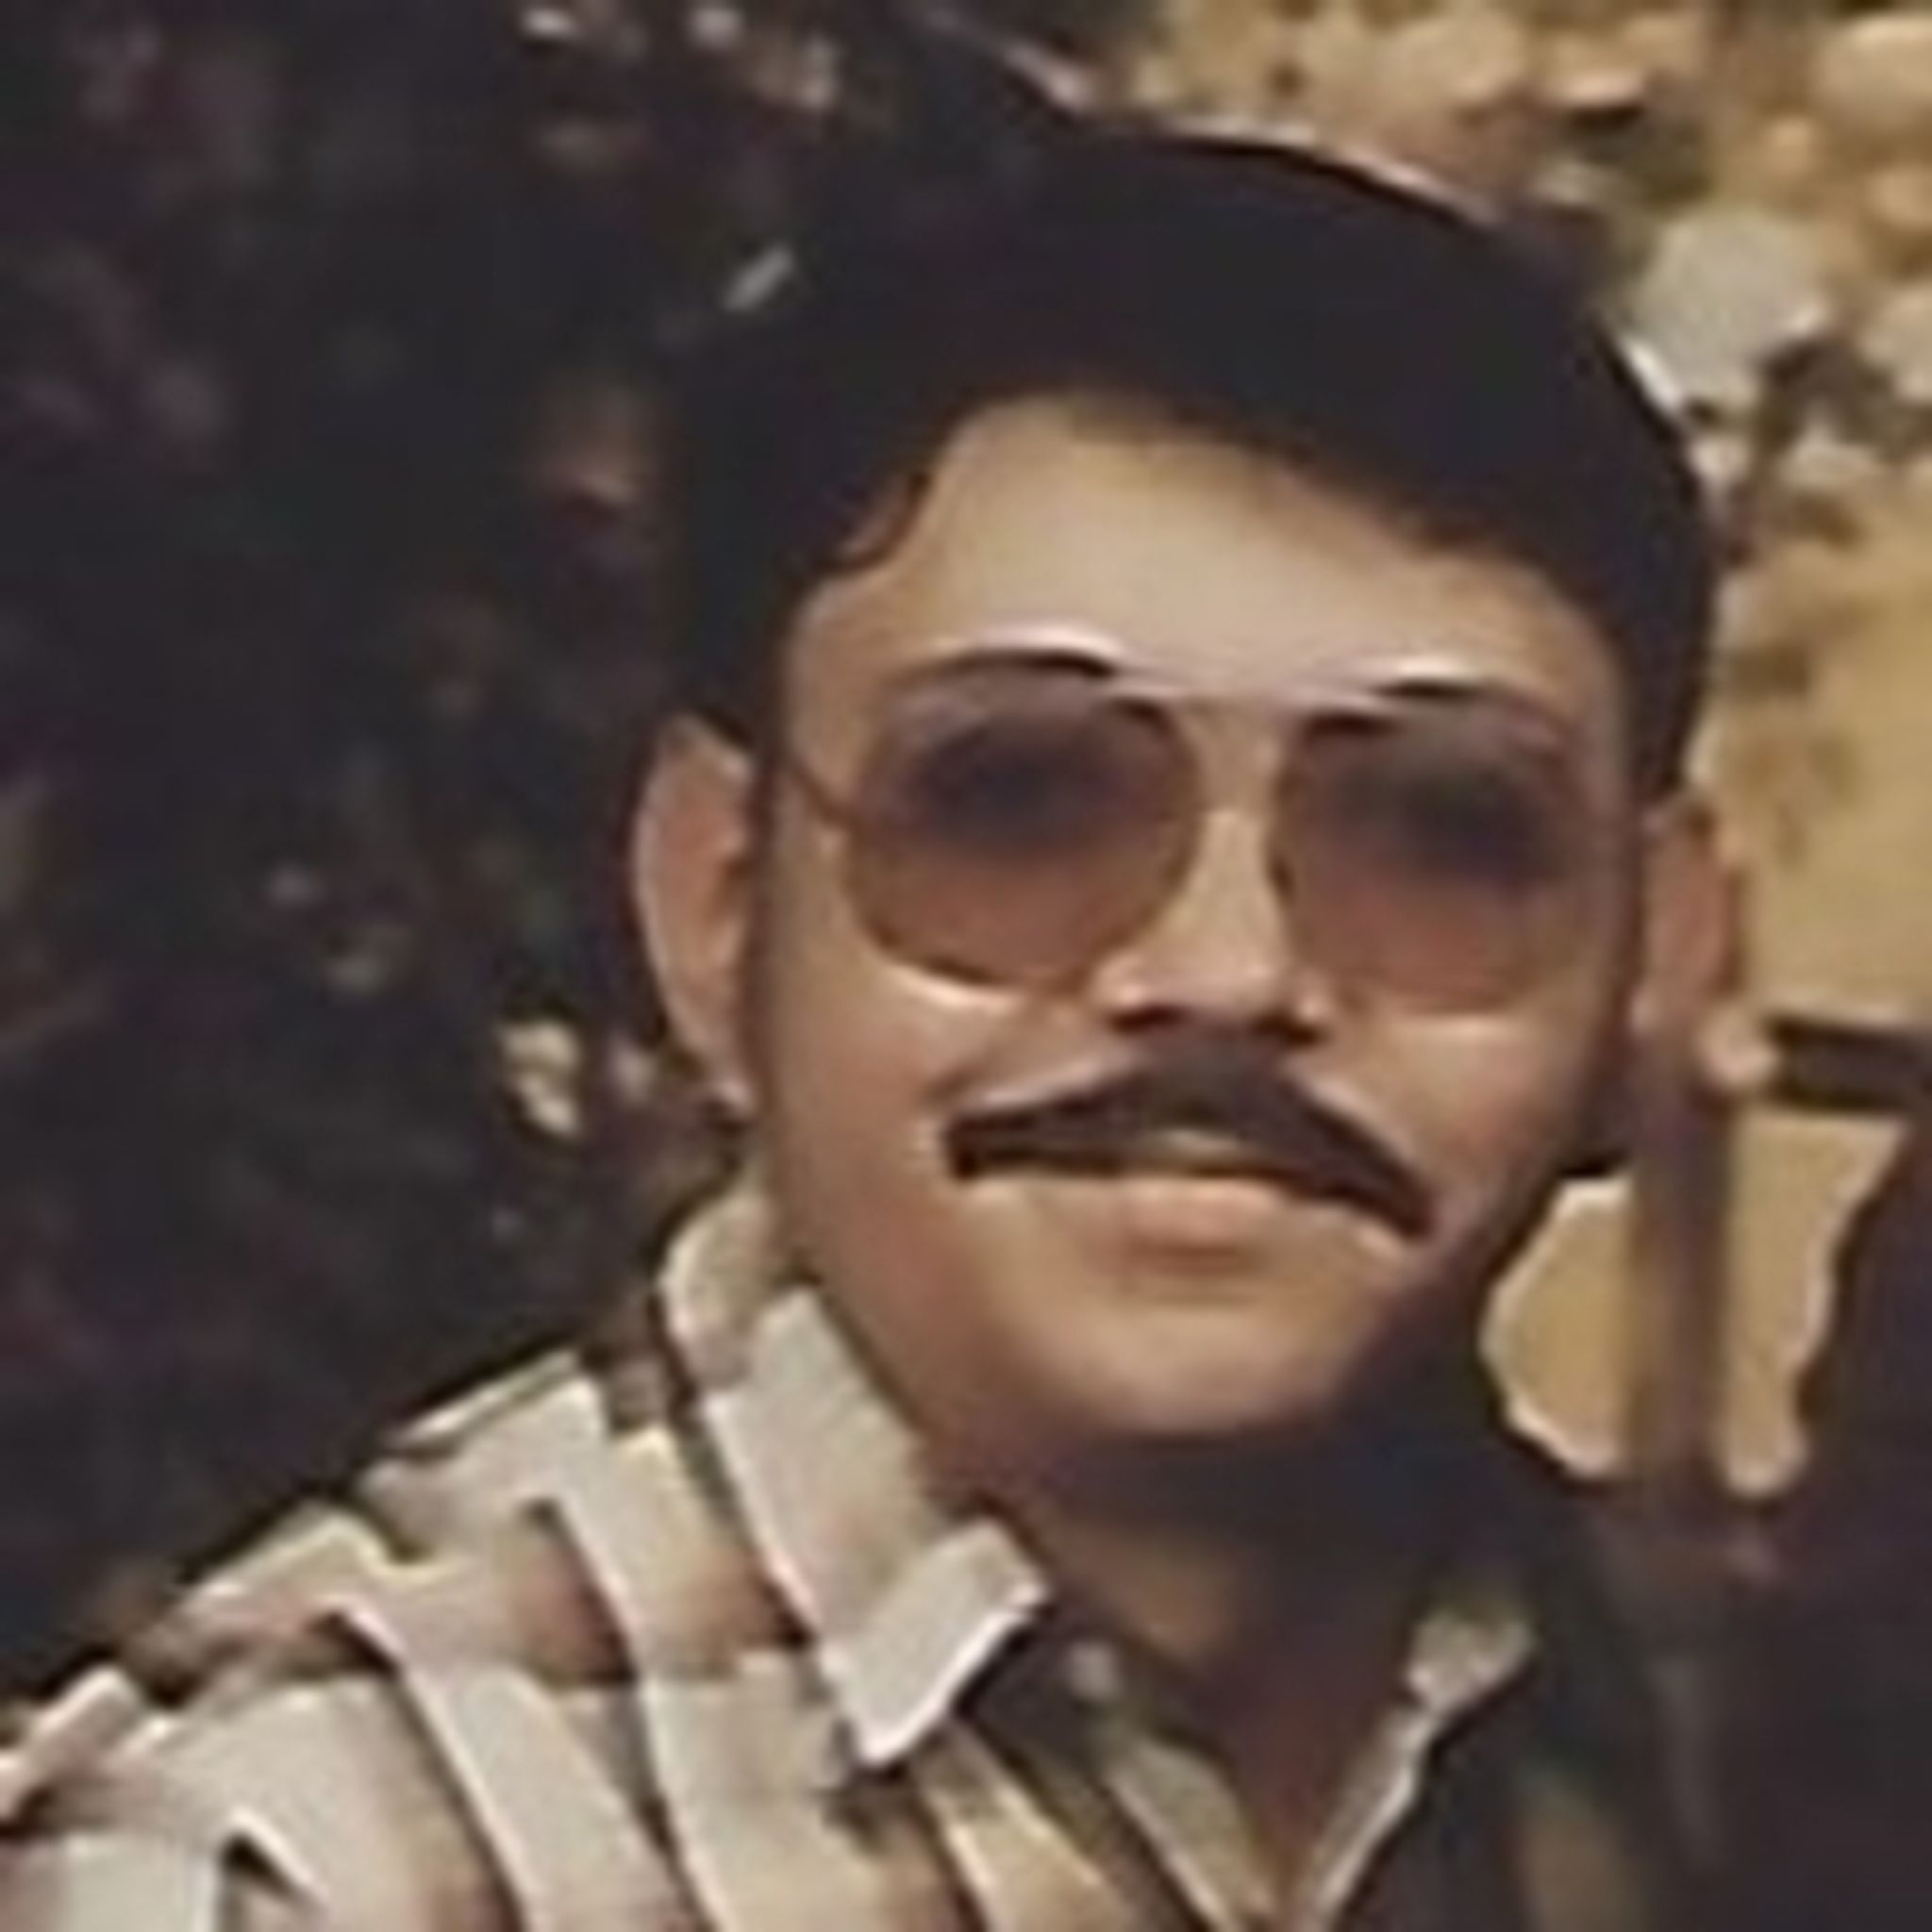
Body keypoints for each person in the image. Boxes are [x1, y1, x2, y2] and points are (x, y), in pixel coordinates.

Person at [0, 122, 1723, 1927]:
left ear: (1653, 960)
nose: (1225, 972)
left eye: (1438, 835)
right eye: (1020, 805)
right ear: (717, 903)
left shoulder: (1706, 1747)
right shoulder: (293, 1868)